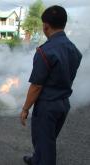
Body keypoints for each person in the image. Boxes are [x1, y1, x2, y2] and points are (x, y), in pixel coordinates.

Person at [20, 6, 82, 165]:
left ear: (45, 25)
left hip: (47, 106)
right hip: (63, 104)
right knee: (47, 139)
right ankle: (36, 159)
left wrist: (25, 108)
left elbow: (36, 86)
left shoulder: (44, 51)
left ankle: (41, 160)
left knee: (45, 145)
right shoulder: (74, 49)